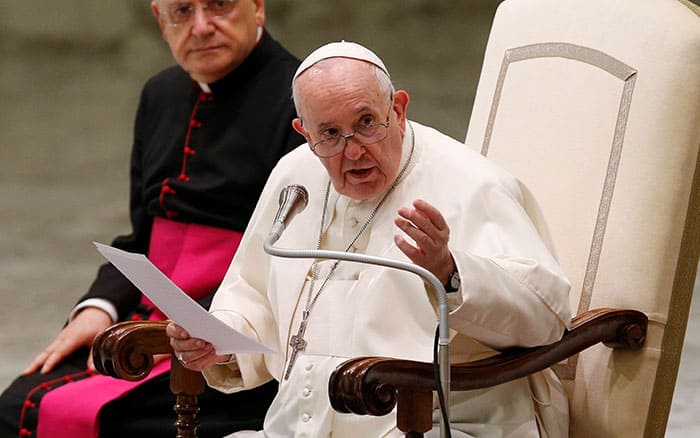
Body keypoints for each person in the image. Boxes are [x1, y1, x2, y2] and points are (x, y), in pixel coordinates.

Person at [167, 41, 573, 437]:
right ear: (304, 132)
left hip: (439, 420)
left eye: (365, 123)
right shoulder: (294, 177)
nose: (354, 151)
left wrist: (451, 272)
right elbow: (252, 294)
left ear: (397, 110)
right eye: (329, 133)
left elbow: (546, 318)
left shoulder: (473, 183)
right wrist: (219, 336)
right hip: (300, 423)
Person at [0, 1, 305, 437]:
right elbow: (142, 237)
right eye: (182, 11)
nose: (201, 27)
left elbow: (297, 262)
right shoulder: (160, 94)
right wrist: (98, 309)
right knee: (18, 407)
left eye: (219, 5)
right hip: (145, 316)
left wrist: (186, 331)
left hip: (235, 343)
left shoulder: (300, 96)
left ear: (257, 8)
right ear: (161, 23)